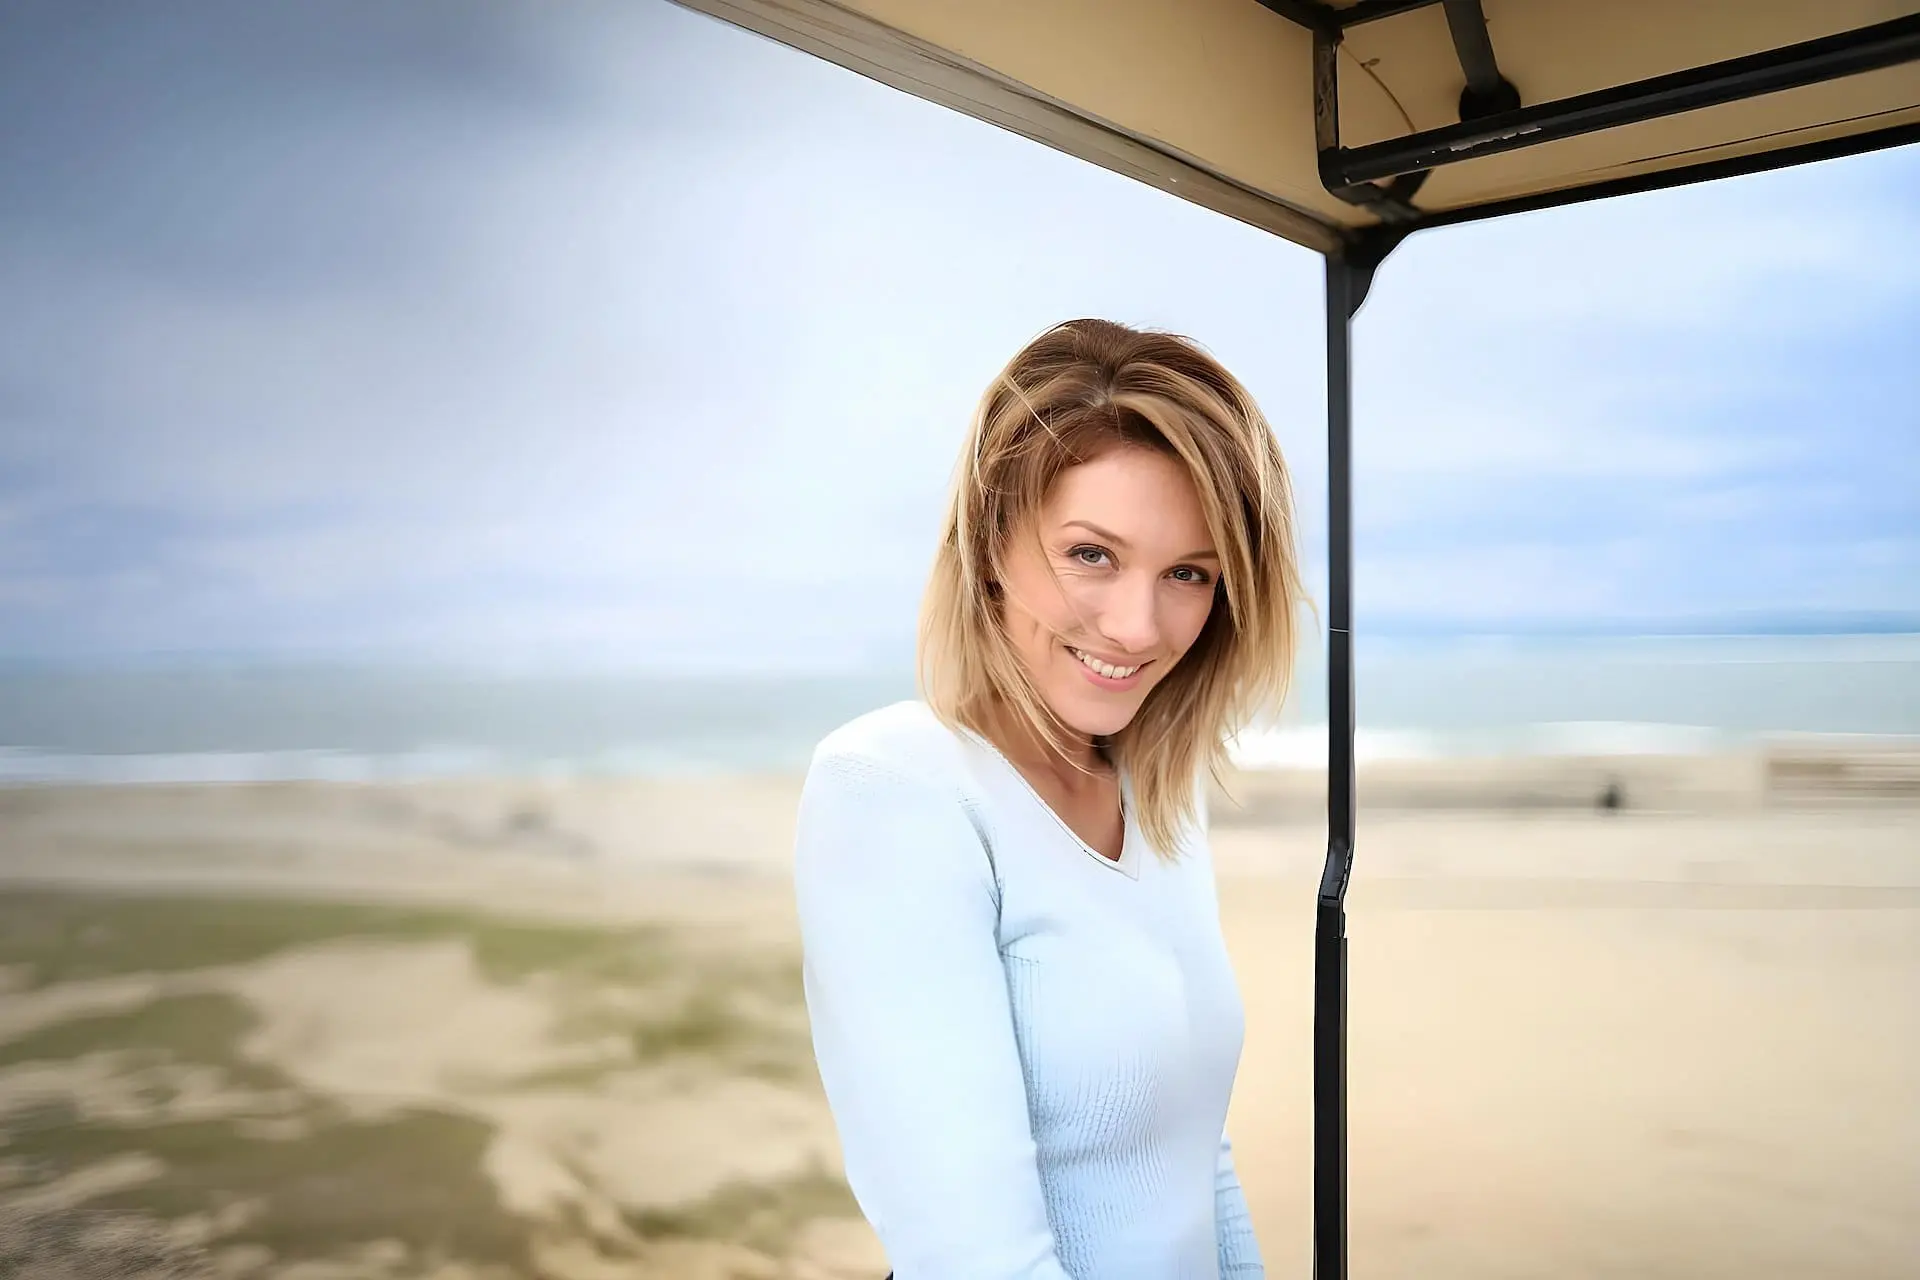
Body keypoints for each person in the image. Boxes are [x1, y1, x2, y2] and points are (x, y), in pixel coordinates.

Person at [793, 318, 1306, 1278]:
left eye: (1189, 574)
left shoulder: (1159, 795)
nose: (1137, 625)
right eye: (1091, 554)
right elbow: (971, 1256)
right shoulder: (896, 787)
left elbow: (1194, 1158)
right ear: (992, 540)